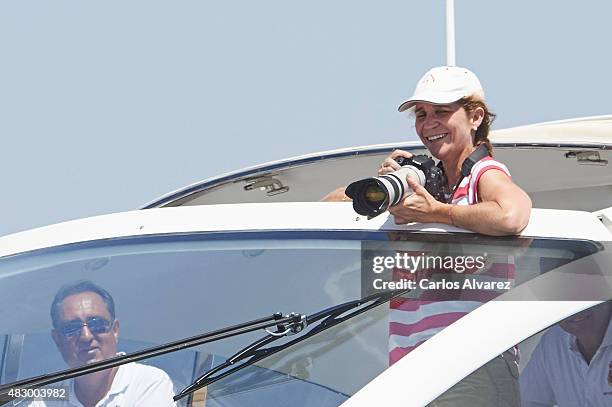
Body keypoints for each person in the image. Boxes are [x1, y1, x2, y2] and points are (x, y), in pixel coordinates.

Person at [323, 65, 532, 236]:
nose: (429, 124)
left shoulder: (484, 171)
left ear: (476, 117)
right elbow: (328, 207)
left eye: (441, 111)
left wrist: (435, 212)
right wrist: (383, 191)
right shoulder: (435, 182)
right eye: (421, 115)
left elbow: (510, 216)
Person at [27, 280, 176, 407]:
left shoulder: (148, 383)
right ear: (57, 339)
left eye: (96, 324)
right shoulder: (47, 398)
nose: (86, 336)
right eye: (72, 328)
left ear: (115, 330)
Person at [519, 301, 612, 407]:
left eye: (586, 294)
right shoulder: (554, 341)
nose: (576, 307)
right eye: (563, 299)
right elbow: (528, 401)